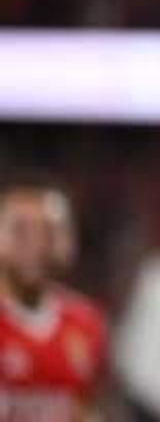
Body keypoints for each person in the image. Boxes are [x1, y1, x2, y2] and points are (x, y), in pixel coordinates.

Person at [0, 174, 109, 421]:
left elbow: (85, 409)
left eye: (48, 232)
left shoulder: (86, 322)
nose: (35, 245)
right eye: (20, 231)